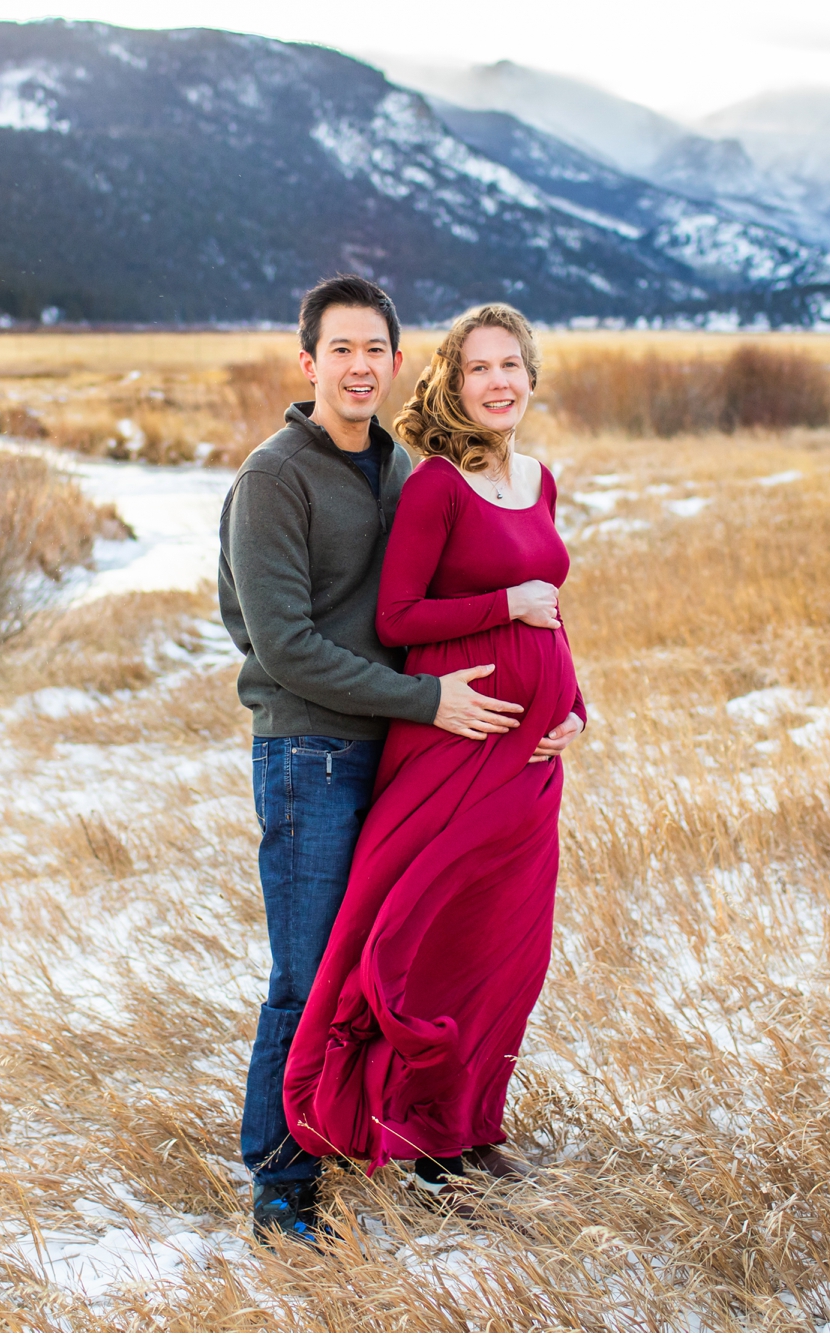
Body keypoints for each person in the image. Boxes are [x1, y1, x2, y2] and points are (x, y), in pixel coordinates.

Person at [217, 275, 528, 1246]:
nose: (359, 366)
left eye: (375, 350)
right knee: (307, 976)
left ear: (398, 364)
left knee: (393, 962)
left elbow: (443, 595)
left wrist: (543, 701)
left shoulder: (398, 466)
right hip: (309, 751)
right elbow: (282, 643)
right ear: (307, 363)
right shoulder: (276, 476)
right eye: (339, 349)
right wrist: (430, 697)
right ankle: (281, 1180)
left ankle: (398, 1138)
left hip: (399, 754)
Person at [280, 301, 585, 1211]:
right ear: (453, 384)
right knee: (420, 941)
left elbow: (551, 613)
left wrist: (575, 705)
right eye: (479, 368)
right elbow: (398, 619)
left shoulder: (540, 480)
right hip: (451, 746)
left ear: (531, 377)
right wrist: (505, 605)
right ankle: (398, 1131)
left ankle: (469, 1136)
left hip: (530, 760)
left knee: (505, 950)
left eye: (511, 366)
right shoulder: (436, 487)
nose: (498, 382)